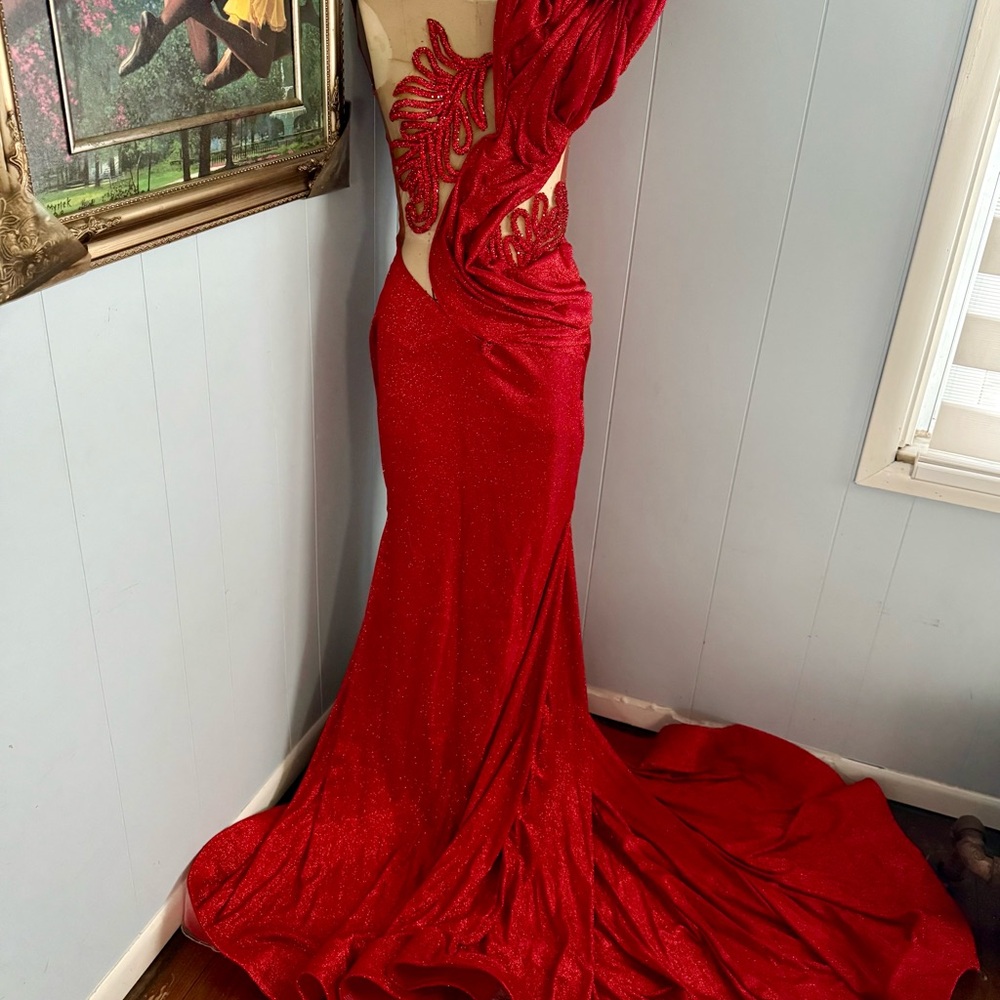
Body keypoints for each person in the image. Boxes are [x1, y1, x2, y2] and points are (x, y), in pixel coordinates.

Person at [181, 2, 981, 997]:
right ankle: (422, 782)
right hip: (431, 335)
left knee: (515, 573)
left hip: (521, 331)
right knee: (427, 558)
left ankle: (497, 772)